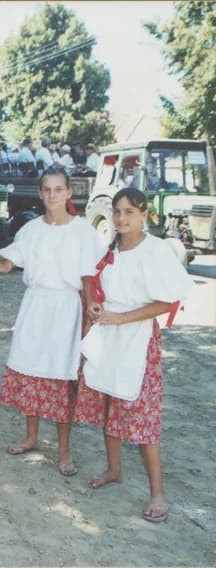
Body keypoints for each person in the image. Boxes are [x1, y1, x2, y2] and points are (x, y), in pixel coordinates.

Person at [0, 167, 101, 476]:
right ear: (40, 194)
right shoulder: (31, 230)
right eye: (46, 189)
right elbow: (4, 264)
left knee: (62, 377)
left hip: (66, 308)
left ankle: (64, 451)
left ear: (69, 192)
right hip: (35, 306)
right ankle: (31, 437)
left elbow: (88, 275)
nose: (52, 195)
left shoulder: (83, 231)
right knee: (31, 370)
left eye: (58, 189)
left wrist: (91, 305)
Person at [74, 187, 191, 523]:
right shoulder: (111, 246)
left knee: (141, 415)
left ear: (143, 213)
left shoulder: (154, 250)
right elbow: (92, 281)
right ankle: (114, 470)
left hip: (137, 337)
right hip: (109, 332)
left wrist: (122, 318)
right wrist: (94, 302)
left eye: (129, 212)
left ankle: (157, 493)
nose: (121, 218)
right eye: (117, 211)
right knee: (110, 400)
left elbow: (168, 301)